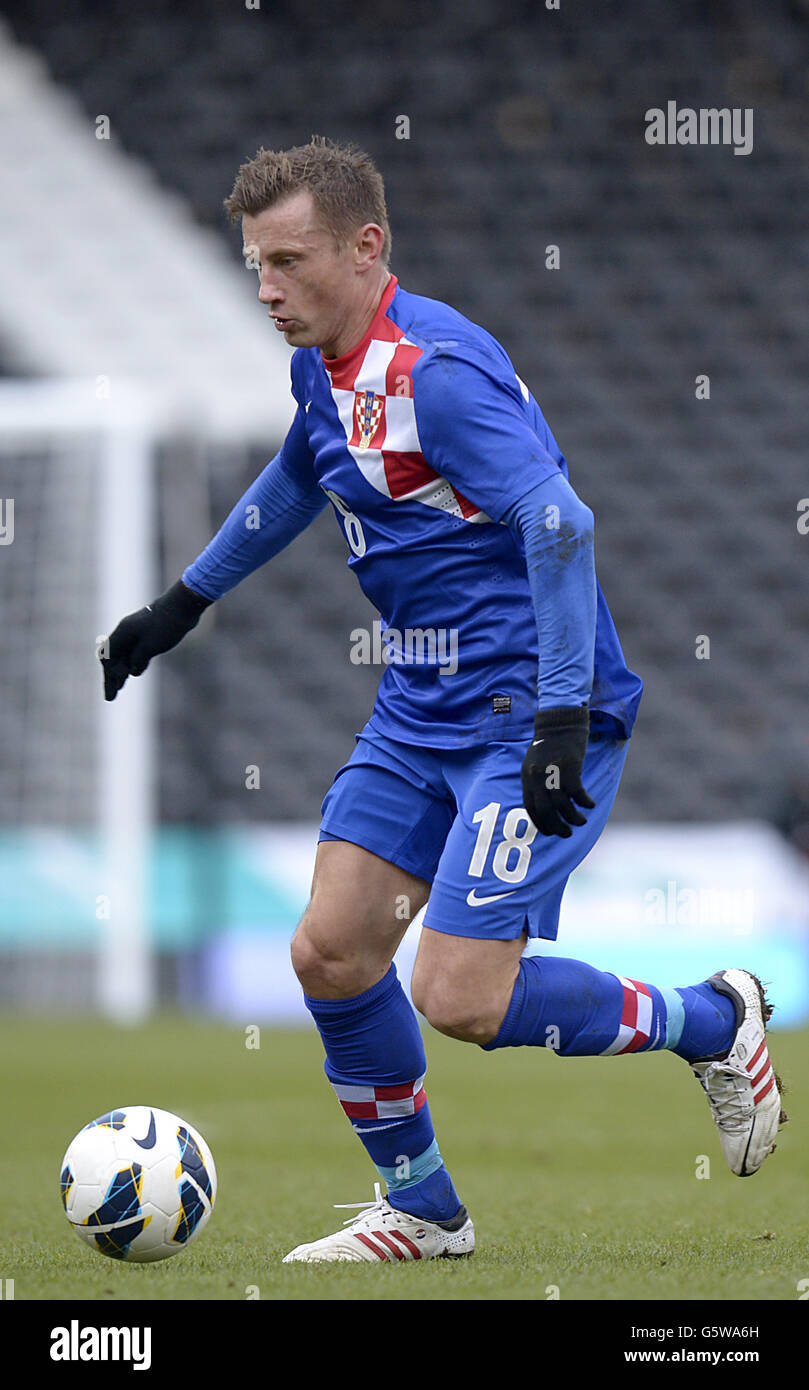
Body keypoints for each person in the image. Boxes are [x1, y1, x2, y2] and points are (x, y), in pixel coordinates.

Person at [100, 137, 786, 1265]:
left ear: (367, 248)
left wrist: (562, 717)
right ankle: (423, 1210)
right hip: (419, 702)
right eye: (254, 266)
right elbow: (297, 478)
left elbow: (559, 523)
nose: (267, 288)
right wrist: (179, 602)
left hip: (525, 705)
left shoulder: (435, 373)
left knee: (460, 995)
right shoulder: (322, 364)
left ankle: (713, 1019)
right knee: (328, 951)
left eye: (289, 261)